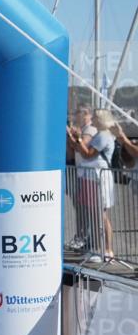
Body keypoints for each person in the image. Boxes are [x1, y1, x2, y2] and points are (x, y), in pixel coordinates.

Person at [67, 108, 116, 261]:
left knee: (100, 215)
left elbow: (87, 154)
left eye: (95, 117)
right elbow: (81, 150)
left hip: (97, 178)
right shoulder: (100, 135)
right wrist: (75, 138)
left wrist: (79, 140)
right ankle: (98, 249)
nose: (92, 119)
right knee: (95, 214)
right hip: (91, 177)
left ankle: (106, 250)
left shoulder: (103, 135)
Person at [66, 106, 98, 251]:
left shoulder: (89, 130)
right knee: (79, 207)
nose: (74, 116)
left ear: (85, 115)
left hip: (86, 174)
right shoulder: (82, 129)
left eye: (76, 113)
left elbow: (80, 147)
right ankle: (81, 236)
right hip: (80, 172)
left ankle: (84, 238)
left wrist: (71, 136)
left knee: (84, 208)